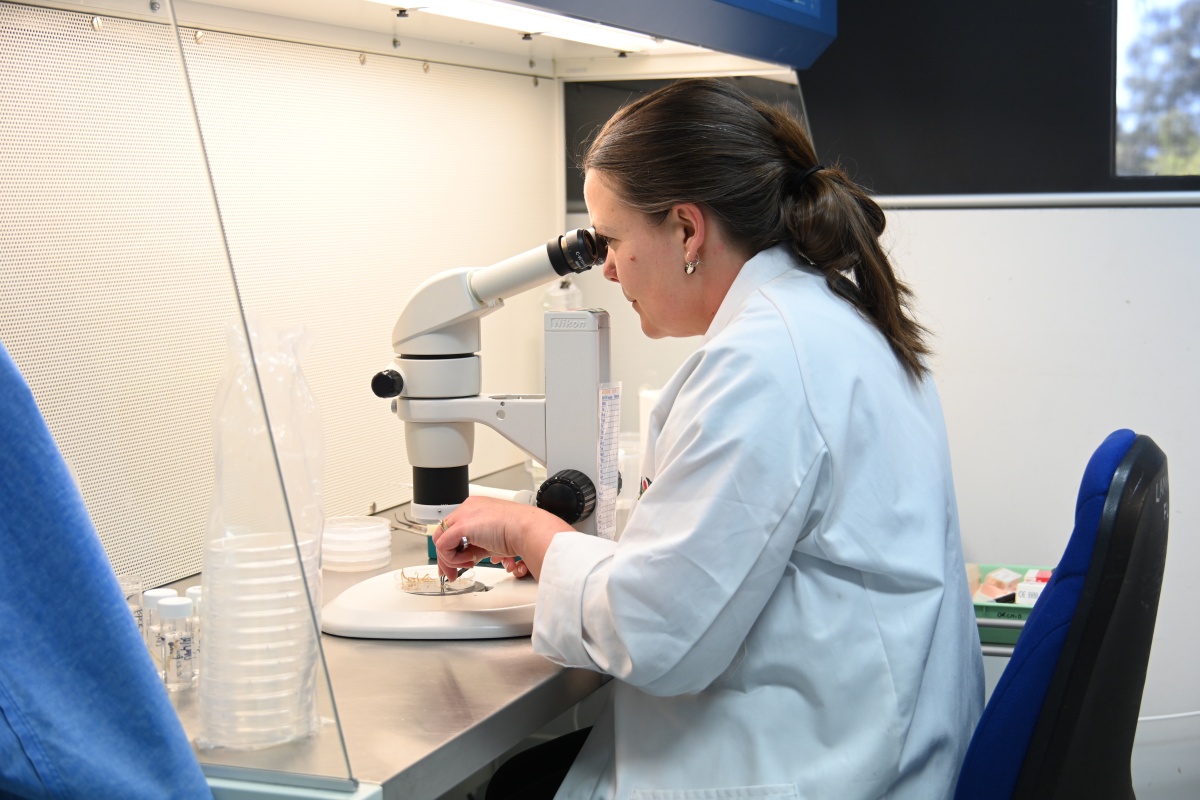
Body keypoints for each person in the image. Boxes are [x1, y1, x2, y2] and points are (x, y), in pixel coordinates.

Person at [434, 78, 984, 800]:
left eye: (613, 240)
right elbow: (703, 570)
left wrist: (530, 532)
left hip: (818, 766)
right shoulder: (823, 318)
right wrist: (575, 559)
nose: (605, 267)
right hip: (858, 733)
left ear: (688, 230)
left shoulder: (764, 364)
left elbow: (657, 637)